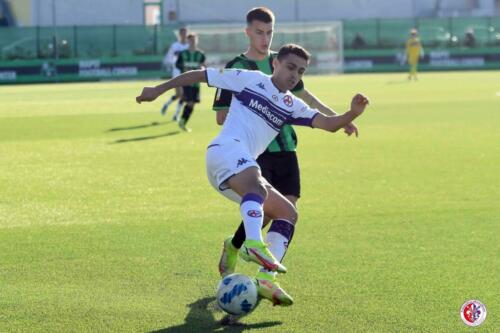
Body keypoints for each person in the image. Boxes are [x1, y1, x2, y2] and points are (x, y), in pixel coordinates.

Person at [136, 43, 369, 306]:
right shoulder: (248, 79)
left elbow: (327, 124)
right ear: (275, 64)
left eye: (301, 71)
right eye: (290, 67)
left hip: (235, 172)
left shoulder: (292, 104)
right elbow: (201, 75)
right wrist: (158, 89)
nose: (295, 75)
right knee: (257, 185)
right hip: (224, 152)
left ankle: (266, 278)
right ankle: (253, 244)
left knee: (286, 213)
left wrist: (352, 113)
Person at [212, 6, 358, 299]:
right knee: (265, 211)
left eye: (270, 33)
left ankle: (266, 277)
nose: (265, 39)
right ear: (248, 32)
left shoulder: (286, 63)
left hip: (287, 147)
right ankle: (236, 245)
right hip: (256, 151)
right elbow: (220, 114)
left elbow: (305, 98)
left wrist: (341, 118)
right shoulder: (238, 66)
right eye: (259, 32)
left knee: (287, 214)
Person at [175, 33, 206, 132]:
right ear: (188, 41)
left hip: (196, 83)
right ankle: (181, 120)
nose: (192, 41)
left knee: (192, 104)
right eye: (191, 40)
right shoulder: (183, 54)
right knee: (190, 102)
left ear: (196, 40)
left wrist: (202, 69)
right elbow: (177, 65)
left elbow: (203, 66)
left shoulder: (200, 54)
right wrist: (184, 68)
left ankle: (183, 121)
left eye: (194, 40)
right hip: (186, 82)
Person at [160, 27, 189, 120]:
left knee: (181, 95)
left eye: (185, 33)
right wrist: (174, 64)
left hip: (187, 72)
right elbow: (168, 58)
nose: (184, 35)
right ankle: (174, 113)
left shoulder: (189, 46)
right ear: (179, 35)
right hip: (176, 71)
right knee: (180, 94)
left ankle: (174, 113)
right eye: (182, 33)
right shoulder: (175, 46)